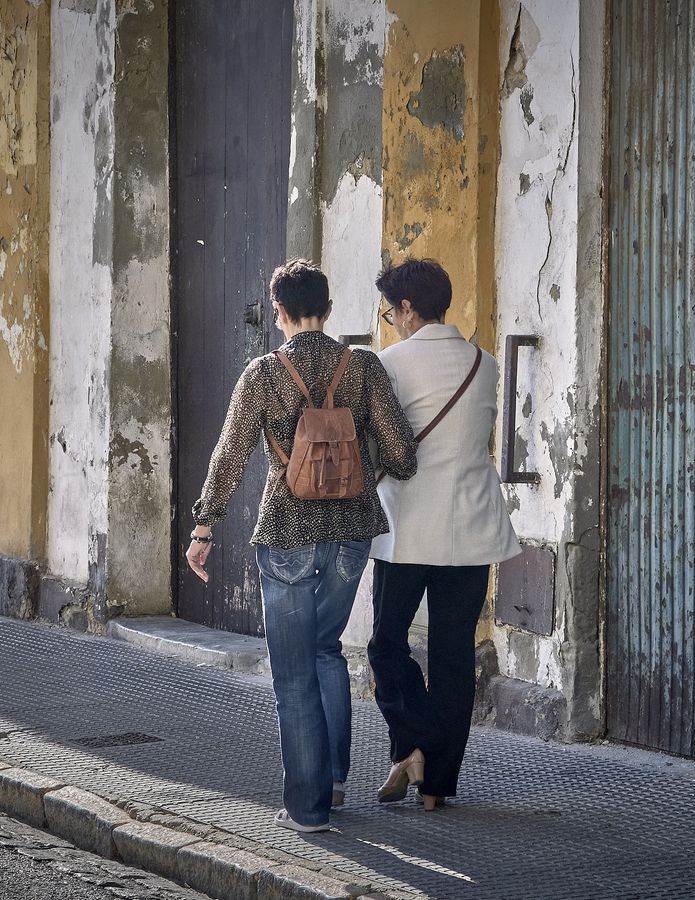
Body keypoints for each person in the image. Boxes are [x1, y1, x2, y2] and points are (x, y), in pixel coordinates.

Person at [187, 259, 416, 833]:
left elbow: (230, 455)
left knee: (292, 673)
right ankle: (336, 781)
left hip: (287, 533)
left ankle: (309, 809)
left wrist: (205, 525)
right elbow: (404, 454)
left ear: (279, 313)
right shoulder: (362, 366)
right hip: (352, 535)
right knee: (325, 648)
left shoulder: (263, 373)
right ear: (330, 310)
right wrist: (364, 476)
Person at [368, 258, 520, 811]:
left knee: (386, 645)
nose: (392, 321)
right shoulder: (487, 363)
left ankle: (415, 745)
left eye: (391, 312)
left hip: (406, 531)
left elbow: (380, 449)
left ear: (408, 308)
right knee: (454, 656)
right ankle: (435, 782)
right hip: (472, 529)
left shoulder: (388, 364)